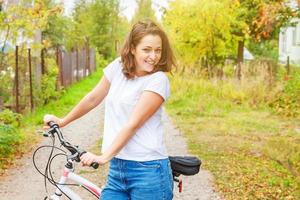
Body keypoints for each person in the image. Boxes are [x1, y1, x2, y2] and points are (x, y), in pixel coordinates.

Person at [44, 19, 176, 200]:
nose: (153, 56)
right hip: (118, 169)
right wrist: (63, 120)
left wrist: (103, 157)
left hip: (148, 171)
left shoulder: (158, 80)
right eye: (147, 49)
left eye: (158, 50)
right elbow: (93, 98)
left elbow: (133, 123)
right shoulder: (118, 67)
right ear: (132, 48)